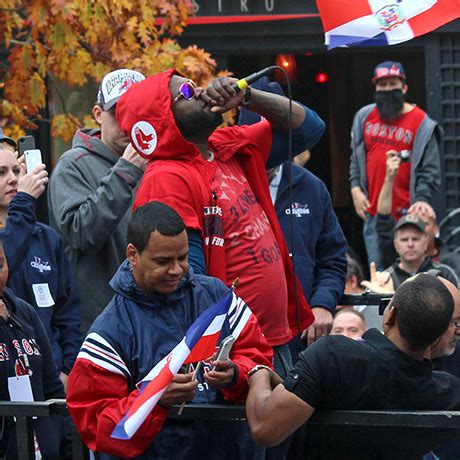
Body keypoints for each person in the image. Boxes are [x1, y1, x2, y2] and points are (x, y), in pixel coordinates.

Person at [115, 70, 326, 382]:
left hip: (272, 338)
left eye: (194, 83)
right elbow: (190, 283)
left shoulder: (228, 145)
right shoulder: (167, 177)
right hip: (230, 354)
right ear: (163, 118)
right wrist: (229, 358)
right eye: (185, 91)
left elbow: (309, 128)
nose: (201, 91)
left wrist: (249, 97)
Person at [67, 202, 273, 459]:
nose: (176, 270)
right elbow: (96, 423)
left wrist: (235, 374)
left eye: (183, 258)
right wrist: (156, 399)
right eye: (163, 261)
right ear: (132, 254)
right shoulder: (110, 329)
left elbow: (259, 357)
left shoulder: (217, 296)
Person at [246, 274, 460, 449]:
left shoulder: (333, 356)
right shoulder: (447, 394)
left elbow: (264, 428)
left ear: (390, 315)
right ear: (441, 335)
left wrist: (258, 372)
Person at [238, 76, 347, 345]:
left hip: (299, 334)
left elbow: (332, 258)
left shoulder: (312, 188)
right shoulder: (223, 183)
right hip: (240, 331)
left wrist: (323, 303)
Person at [48, 69, 147, 331]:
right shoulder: (73, 165)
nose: (127, 122)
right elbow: (82, 233)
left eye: (136, 113)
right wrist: (126, 170)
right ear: (98, 114)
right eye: (118, 112)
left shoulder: (155, 163)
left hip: (148, 319)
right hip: (99, 326)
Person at [0, 146, 81, 389]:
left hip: (54, 375)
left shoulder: (47, 238)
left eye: (16, 170)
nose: (13, 179)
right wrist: (24, 201)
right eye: (1, 172)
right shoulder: (12, 234)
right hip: (11, 375)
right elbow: (7, 263)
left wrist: (68, 367)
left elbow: (68, 311)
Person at [349, 61, 441, 269]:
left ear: (404, 88)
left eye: (393, 84)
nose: (388, 89)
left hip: (408, 216)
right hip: (373, 213)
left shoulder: (422, 123)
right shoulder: (364, 117)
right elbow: (356, 158)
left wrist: (421, 200)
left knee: (411, 275)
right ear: (375, 88)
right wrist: (355, 188)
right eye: (382, 85)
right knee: (380, 275)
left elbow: (431, 171)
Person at [0, 237, 65, 459]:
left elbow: (53, 388)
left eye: (0, 265)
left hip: (43, 450)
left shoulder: (24, 312)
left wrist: (54, 439)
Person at [376, 150, 460, 277]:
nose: (410, 243)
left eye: (424, 224)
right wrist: (389, 178)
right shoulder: (391, 271)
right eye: (405, 239)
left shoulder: (448, 267)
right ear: (396, 243)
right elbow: (383, 220)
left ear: (434, 230)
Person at [384, 214, 458, 289]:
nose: (410, 244)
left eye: (415, 239)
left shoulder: (444, 274)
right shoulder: (386, 278)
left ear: (426, 243)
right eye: (404, 240)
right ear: (396, 245)